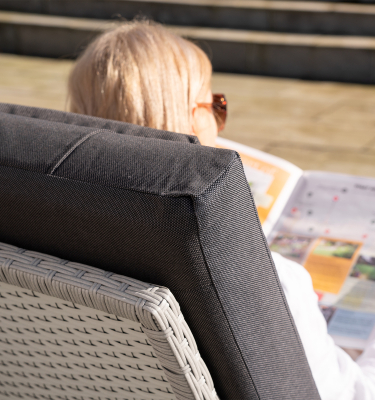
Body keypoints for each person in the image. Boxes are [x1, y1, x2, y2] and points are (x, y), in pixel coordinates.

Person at [67, 20, 375, 399]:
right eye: (216, 105)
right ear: (187, 119)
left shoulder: (65, 240)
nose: (219, 119)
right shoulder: (260, 281)